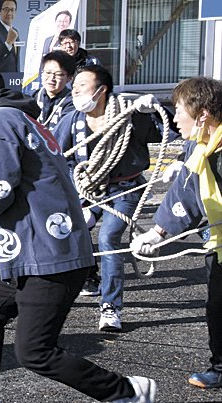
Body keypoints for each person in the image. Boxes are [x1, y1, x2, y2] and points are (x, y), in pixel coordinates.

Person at [0, 63, 156, 403]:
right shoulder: (20, 117)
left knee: (35, 351)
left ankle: (126, 393)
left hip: (48, 253)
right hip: (25, 251)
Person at [52, 65, 163, 331]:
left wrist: (152, 110)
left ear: (101, 90)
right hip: (88, 190)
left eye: (82, 85)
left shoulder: (127, 114)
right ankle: (84, 281)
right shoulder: (72, 119)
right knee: (68, 232)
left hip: (124, 189)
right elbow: (56, 154)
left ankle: (110, 306)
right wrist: (77, 186)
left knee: (108, 238)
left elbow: (162, 131)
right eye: (74, 85)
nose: (75, 89)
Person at [131, 77, 222, 389]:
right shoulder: (197, 147)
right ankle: (220, 367)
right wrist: (157, 233)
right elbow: (183, 196)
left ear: (203, 115)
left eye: (179, 111)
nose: (174, 118)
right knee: (217, 308)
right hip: (218, 246)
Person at [33, 51, 76, 131]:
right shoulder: (33, 96)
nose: (51, 78)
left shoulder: (72, 102)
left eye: (58, 74)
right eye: (48, 73)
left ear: (69, 78)